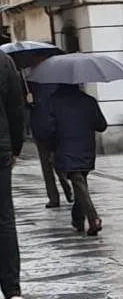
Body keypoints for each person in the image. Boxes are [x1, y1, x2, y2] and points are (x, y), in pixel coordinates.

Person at [33, 84, 108, 235]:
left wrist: (52, 146)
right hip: (86, 148)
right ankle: (77, 218)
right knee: (80, 181)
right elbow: (101, 125)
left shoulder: (52, 102)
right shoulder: (89, 101)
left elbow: (46, 129)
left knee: (78, 181)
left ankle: (93, 218)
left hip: (64, 147)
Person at [24, 56, 73, 208]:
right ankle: (57, 193)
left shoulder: (35, 80)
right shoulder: (31, 80)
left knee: (52, 163)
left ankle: (60, 193)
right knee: (50, 162)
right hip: (49, 126)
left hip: (49, 125)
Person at [0, 50, 25, 299]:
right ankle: (11, 288)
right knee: (4, 218)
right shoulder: (3, 62)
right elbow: (16, 110)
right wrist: (15, 147)